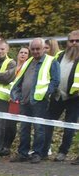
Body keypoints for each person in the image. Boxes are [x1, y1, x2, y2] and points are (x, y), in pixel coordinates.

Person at [9, 37, 61, 163]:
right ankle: (23, 153)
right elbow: (20, 80)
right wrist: (17, 94)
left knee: (39, 128)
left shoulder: (51, 61)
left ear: (44, 49)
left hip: (39, 101)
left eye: (38, 49)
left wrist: (46, 94)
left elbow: (55, 80)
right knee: (24, 128)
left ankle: (37, 153)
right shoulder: (28, 61)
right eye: (33, 49)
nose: (36, 51)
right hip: (25, 101)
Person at [43, 30, 79, 161]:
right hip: (57, 96)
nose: (74, 43)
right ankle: (44, 150)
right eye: (71, 41)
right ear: (67, 42)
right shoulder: (59, 55)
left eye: (77, 41)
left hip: (74, 98)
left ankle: (63, 152)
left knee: (69, 126)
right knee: (47, 122)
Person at [2, 46, 32, 154]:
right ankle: (3, 145)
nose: (23, 54)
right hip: (5, 97)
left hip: (17, 99)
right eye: (21, 52)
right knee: (5, 123)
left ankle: (7, 146)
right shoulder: (12, 65)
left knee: (12, 123)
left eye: (25, 53)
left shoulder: (28, 67)